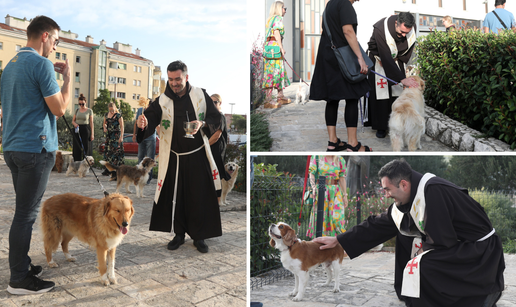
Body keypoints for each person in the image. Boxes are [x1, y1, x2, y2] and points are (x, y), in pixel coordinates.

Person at [313, 159, 505, 307]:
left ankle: (468, 300)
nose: (386, 194)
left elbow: (443, 241)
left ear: (403, 184)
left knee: (425, 265)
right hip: (461, 243)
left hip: (478, 252)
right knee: (405, 237)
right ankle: (409, 292)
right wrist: (339, 239)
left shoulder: (434, 193)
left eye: (388, 189)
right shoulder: (412, 195)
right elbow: (379, 224)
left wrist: (421, 255)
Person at [0, 15, 71, 295]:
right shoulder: (41, 64)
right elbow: (60, 109)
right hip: (34, 150)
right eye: (55, 40)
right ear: (44, 36)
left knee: (23, 213)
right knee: (25, 215)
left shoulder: (11, 65)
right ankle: (19, 279)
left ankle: (23, 265)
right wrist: (65, 80)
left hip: (13, 147)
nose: (55, 46)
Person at [136, 60, 222, 254]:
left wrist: (202, 124)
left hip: (197, 154)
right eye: (171, 79)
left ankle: (199, 236)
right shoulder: (162, 100)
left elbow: (216, 118)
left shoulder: (200, 94)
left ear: (186, 77)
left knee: (199, 196)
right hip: (173, 157)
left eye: (178, 79)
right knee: (177, 197)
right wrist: (143, 124)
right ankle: (179, 234)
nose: (174, 83)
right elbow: (148, 121)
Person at [309, 0, 372, 152]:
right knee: (352, 95)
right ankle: (353, 143)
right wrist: (360, 58)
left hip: (327, 55)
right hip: (342, 57)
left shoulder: (330, 4)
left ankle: (333, 142)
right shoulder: (345, 4)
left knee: (332, 99)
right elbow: (348, 31)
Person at [366, 12, 420, 139]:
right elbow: (384, 55)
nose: (403, 35)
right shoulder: (381, 28)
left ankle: (397, 126)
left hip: (397, 60)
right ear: (396, 22)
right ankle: (381, 126)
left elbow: (409, 49)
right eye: (401, 32)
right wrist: (401, 78)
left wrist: (399, 65)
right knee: (382, 96)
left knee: (398, 95)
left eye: (406, 33)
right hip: (379, 59)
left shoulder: (412, 28)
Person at [306, 155, 348, 238]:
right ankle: (320, 243)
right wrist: (314, 187)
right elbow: (311, 174)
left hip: (336, 191)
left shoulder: (340, 159)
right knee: (321, 217)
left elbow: (342, 178)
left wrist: (345, 195)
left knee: (337, 218)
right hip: (321, 190)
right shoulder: (317, 157)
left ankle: (337, 242)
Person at [262, 1, 291, 106]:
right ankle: (270, 100)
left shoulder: (269, 19)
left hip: (269, 49)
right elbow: (277, 33)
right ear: (279, 8)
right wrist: (281, 48)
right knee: (277, 72)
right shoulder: (278, 19)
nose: (285, 11)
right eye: (284, 8)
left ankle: (279, 96)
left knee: (272, 72)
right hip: (275, 48)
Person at [207, 94, 231, 203]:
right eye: (210, 102)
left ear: (220, 103)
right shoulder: (210, 117)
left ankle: (217, 202)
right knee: (209, 174)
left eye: (215, 102)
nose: (213, 104)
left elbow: (217, 135)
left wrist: (204, 146)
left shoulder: (220, 116)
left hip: (216, 148)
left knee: (216, 174)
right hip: (210, 147)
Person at [133, 97, 157, 184]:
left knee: (151, 158)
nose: (147, 107)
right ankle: (139, 176)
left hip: (151, 138)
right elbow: (136, 123)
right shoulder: (140, 110)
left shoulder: (154, 111)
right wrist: (134, 134)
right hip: (141, 137)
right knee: (140, 156)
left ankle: (148, 178)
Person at [102, 102, 124, 181]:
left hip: (116, 137)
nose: (111, 112)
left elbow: (122, 127)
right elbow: (104, 123)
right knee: (109, 154)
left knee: (115, 155)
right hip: (109, 137)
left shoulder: (118, 115)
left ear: (115, 108)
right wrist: (104, 127)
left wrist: (121, 137)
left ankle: (116, 174)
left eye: (113, 110)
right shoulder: (106, 115)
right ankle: (109, 170)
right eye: (110, 110)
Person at [71, 93, 94, 161]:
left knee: (85, 147)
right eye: (80, 104)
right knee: (76, 147)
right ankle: (76, 163)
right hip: (77, 129)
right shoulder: (77, 110)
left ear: (85, 102)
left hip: (85, 129)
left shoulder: (89, 111)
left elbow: (91, 123)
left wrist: (92, 134)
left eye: (82, 104)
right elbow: (73, 121)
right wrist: (75, 124)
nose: (81, 105)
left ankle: (85, 163)